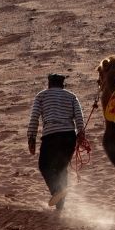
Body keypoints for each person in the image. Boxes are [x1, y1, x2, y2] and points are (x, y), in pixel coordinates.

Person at [27, 73, 86, 210]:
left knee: (44, 166)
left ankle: (56, 191)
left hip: (51, 136)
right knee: (61, 169)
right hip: (69, 136)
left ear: (49, 84)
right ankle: (60, 205)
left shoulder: (41, 96)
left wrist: (31, 138)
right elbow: (79, 116)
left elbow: (34, 118)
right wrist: (81, 134)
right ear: (62, 84)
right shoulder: (71, 96)